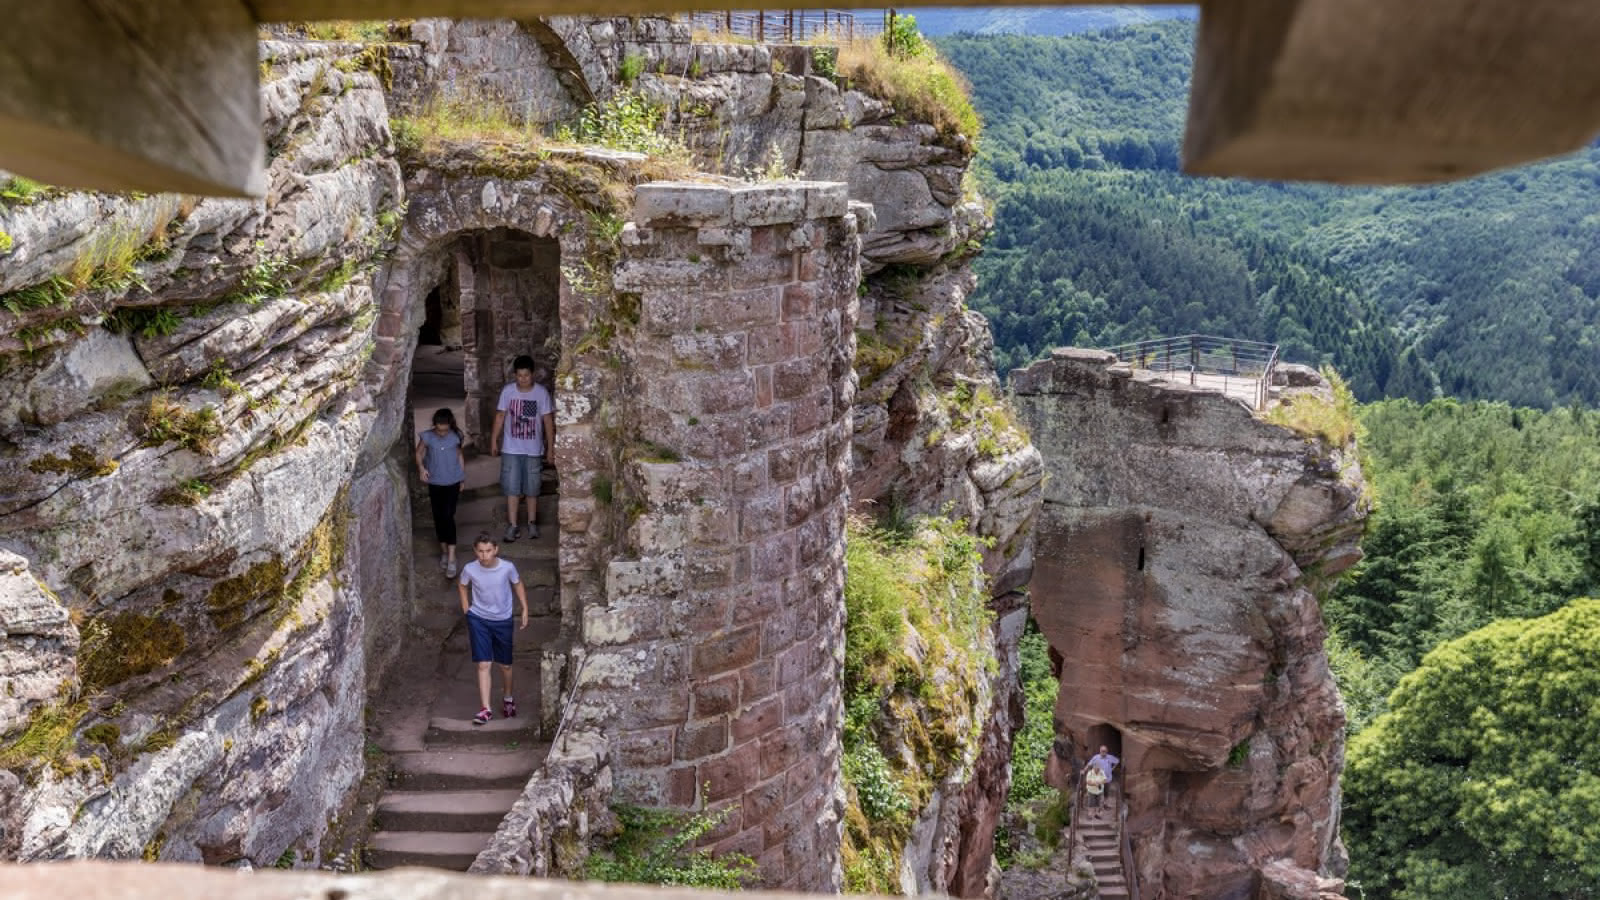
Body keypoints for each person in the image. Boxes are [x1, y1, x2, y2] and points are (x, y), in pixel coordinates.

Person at [457, 532, 529, 725]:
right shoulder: (470, 569)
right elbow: (462, 585)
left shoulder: (507, 568)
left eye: (488, 551)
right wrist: (467, 609)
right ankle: (485, 709)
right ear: (475, 551)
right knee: (483, 663)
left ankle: (508, 698)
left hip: (502, 619)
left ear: (496, 550)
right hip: (479, 618)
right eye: (480, 551)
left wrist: (524, 608)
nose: (484, 555)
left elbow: (517, 583)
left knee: (505, 665)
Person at [491, 355, 554, 542]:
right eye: (519, 375)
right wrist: (494, 440)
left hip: (533, 449)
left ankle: (532, 523)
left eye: (526, 375)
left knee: (532, 489)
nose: (523, 379)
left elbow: (548, 421)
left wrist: (551, 448)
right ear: (515, 375)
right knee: (512, 489)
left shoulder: (541, 393)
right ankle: (513, 526)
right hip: (511, 448)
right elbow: (500, 416)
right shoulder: (508, 392)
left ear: (532, 374)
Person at [415, 408, 466, 578]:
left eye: (445, 429)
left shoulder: (456, 436)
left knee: (448, 516)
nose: (442, 432)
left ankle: (452, 557)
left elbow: (460, 456)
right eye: (439, 429)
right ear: (434, 425)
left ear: (450, 424)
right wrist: (421, 468)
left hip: (452, 481)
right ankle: (444, 551)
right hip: (435, 482)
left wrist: (462, 478)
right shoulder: (427, 437)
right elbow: (418, 452)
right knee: (438, 517)